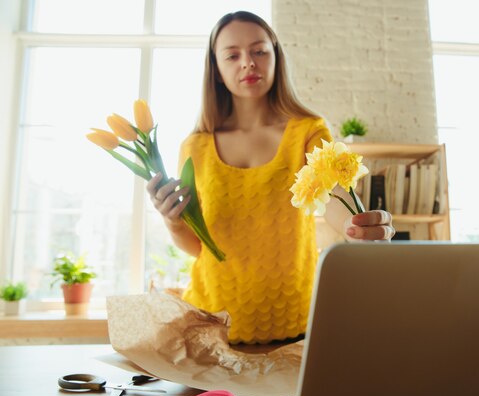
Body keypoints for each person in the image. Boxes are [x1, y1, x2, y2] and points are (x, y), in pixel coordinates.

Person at [146, 11, 395, 344]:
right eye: (232, 55)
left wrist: (361, 228)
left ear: (276, 56)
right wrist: (174, 222)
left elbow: (335, 198)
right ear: (217, 70)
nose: (248, 62)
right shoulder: (195, 147)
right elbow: (198, 245)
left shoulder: (308, 131)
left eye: (259, 51)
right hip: (211, 328)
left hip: (294, 326)